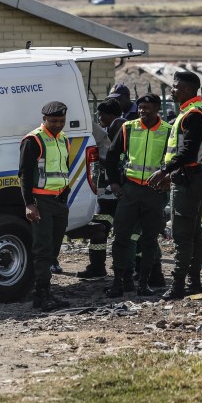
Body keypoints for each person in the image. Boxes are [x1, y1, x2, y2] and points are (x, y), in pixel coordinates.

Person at [148, 71, 202, 300]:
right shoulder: (191, 112)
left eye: (175, 87)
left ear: (187, 89)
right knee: (193, 234)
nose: (172, 90)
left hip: (188, 179)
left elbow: (188, 151)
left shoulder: (193, 115)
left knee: (183, 236)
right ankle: (193, 284)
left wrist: (165, 170)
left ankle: (178, 286)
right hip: (188, 176)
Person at [103, 93, 170, 297]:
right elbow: (112, 156)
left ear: (157, 109)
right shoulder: (128, 127)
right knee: (121, 237)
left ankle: (143, 283)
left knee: (149, 239)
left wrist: (168, 178)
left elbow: (174, 159)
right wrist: (114, 182)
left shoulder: (168, 131)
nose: (143, 111)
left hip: (154, 192)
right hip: (130, 190)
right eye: (140, 108)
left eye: (147, 108)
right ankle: (118, 283)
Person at [19, 101, 72, 312]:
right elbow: (24, 174)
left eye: (61, 121)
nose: (58, 124)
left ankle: (47, 292)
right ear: (44, 120)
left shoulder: (64, 139)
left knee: (53, 250)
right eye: (53, 121)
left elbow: (63, 168)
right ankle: (40, 295)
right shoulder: (33, 140)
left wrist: (65, 193)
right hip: (41, 202)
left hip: (58, 201)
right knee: (42, 250)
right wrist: (29, 204)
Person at [77, 99, 125, 279]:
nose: (99, 117)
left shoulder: (114, 130)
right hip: (116, 191)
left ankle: (98, 267)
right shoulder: (124, 129)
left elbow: (110, 160)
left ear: (111, 115)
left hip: (109, 193)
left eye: (101, 113)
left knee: (99, 230)